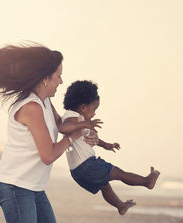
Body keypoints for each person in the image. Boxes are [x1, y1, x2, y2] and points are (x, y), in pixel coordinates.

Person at [0, 43, 101, 223]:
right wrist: (74, 137)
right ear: (45, 78)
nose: (61, 81)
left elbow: (62, 126)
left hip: (34, 188)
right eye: (58, 76)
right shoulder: (31, 107)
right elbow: (48, 155)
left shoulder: (45, 101)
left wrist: (85, 129)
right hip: (15, 187)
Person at [60, 80, 161, 215]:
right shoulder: (73, 117)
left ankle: (120, 206)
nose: (94, 114)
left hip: (78, 172)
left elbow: (90, 137)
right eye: (94, 109)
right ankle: (147, 181)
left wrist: (107, 145)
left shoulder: (80, 121)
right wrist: (86, 124)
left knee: (104, 186)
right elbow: (64, 128)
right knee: (119, 173)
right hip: (87, 166)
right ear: (83, 107)